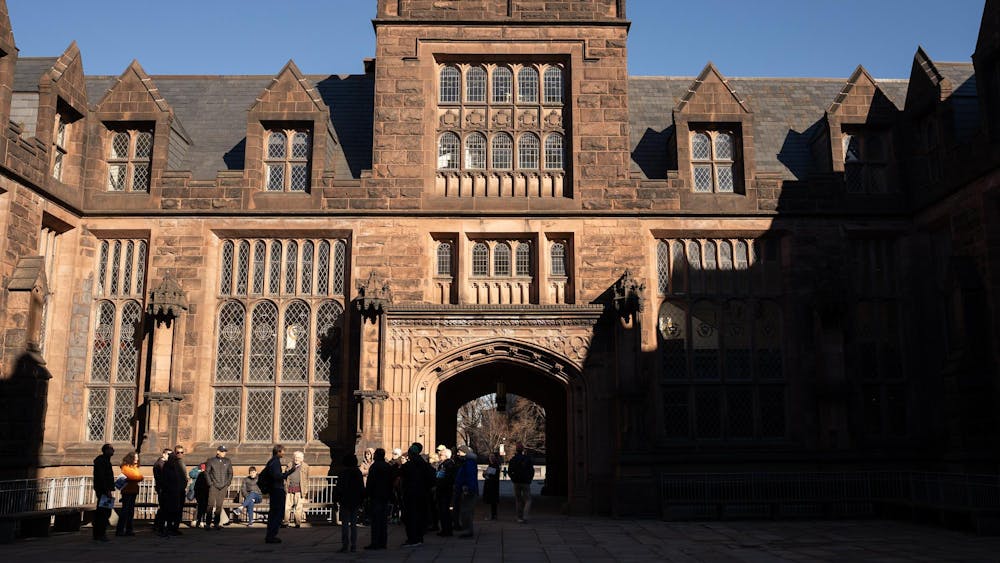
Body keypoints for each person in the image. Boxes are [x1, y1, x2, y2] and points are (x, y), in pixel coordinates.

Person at [263, 444, 300, 544]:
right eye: (283, 451)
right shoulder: (275, 462)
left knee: (274, 513)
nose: (284, 453)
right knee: (277, 513)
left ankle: (270, 535)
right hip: (276, 490)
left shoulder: (272, 461)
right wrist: (290, 472)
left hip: (274, 489)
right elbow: (278, 477)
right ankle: (271, 536)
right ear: (278, 451)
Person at [399, 443, 434, 547]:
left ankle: (412, 539)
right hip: (422, 494)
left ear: (410, 453)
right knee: (420, 516)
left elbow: (401, 477)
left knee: (411, 517)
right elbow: (431, 478)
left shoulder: (408, 466)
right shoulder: (425, 465)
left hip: (410, 494)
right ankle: (419, 537)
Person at [364, 448, 393, 550]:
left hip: (376, 496)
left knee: (376, 521)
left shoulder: (374, 466)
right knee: (383, 521)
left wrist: (367, 494)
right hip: (385, 496)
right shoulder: (387, 466)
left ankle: (375, 543)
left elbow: (370, 482)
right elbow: (390, 482)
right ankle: (383, 543)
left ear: (377, 455)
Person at [335, 453, 365, 553]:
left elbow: (338, 487)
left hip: (345, 500)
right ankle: (353, 545)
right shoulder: (358, 472)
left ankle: (345, 545)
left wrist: (336, 499)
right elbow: (361, 487)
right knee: (353, 524)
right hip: (355, 500)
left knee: (345, 524)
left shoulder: (343, 472)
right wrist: (362, 500)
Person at [161, 445, 188, 536]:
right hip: (172, 492)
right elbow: (165, 479)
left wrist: (184, 485)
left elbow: (183, 477)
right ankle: (169, 528)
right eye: (178, 453)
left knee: (178, 510)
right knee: (171, 510)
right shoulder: (169, 466)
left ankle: (175, 528)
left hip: (180, 490)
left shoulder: (181, 464)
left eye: (182, 452)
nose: (180, 454)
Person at [206, 445, 234, 530]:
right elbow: (207, 472)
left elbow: (230, 473)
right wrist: (210, 483)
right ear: (218, 451)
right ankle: (208, 524)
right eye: (222, 451)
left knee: (219, 506)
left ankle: (216, 523)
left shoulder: (228, 461)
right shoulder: (211, 460)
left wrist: (228, 483)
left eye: (225, 451)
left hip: (223, 486)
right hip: (214, 486)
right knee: (210, 505)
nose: (224, 453)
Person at [453, 445, 479, 538]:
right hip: (466, 489)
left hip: (468, 490)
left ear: (464, 452)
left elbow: (470, 477)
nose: (458, 453)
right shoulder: (467, 462)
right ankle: (467, 529)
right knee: (465, 510)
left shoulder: (469, 463)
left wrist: (467, 488)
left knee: (466, 510)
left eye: (459, 452)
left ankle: (468, 530)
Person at [116, 451, 143, 536]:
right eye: (135, 457)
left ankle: (129, 530)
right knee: (125, 511)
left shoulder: (135, 467)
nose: (137, 459)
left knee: (130, 511)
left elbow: (138, 477)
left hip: (133, 491)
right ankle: (120, 530)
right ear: (131, 458)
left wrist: (139, 477)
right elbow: (135, 477)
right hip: (127, 491)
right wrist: (139, 477)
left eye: (137, 457)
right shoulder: (125, 467)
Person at [92, 443, 115, 542]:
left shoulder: (105, 460)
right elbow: (102, 478)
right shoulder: (102, 461)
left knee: (104, 512)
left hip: (104, 490)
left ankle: (99, 534)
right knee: (103, 513)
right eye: (111, 449)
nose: (113, 451)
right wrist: (107, 490)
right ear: (106, 450)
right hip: (103, 491)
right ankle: (100, 534)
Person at [509, 442, 534, 524]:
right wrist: (529, 479)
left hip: (516, 482)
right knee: (528, 499)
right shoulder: (527, 459)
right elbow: (531, 470)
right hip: (525, 482)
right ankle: (525, 516)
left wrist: (513, 479)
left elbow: (509, 471)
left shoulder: (513, 459)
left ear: (516, 450)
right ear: (523, 450)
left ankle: (519, 517)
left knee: (518, 500)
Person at [434, 446, 456, 537]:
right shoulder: (444, 464)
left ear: (446, 456)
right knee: (442, 510)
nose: (439, 456)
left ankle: (447, 530)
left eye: (441, 455)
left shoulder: (448, 464)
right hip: (442, 490)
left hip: (445, 491)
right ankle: (445, 529)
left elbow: (446, 478)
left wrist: (439, 483)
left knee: (444, 511)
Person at [283, 450, 309, 528]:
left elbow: (306, 479)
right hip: (289, 489)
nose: (296, 459)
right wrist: (285, 486)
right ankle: (286, 523)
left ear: (301, 459)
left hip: (300, 490)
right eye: (295, 457)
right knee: (287, 507)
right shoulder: (289, 465)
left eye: (298, 457)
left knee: (298, 508)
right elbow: (285, 477)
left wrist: (305, 490)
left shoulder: (305, 466)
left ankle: (297, 523)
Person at [152, 448, 172, 535]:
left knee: (164, 507)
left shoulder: (167, 464)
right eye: (169, 454)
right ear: (164, 454)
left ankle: (157, 525)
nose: (170, 457)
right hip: (162, 489)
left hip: (166, 488)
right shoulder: (158, 464)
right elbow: (159, 478)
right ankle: (160, 527)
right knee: (164, 508)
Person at [482, 452, 501, 521]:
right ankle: (493, 515)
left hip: (493, 486)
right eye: (490, 457)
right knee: (491, 501)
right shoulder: (490, 465)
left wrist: (486, 475)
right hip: (489, 485)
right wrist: (485, 474)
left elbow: (492, 476)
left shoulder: (495, 466)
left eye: (492, 457)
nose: (491, 458)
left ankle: (493, 515)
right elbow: (487, 474)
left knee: (493, 501)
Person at [190, 463, 208, 528]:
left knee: (202, 506)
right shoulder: (197, 470)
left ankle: (200, 521)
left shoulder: (208, 472)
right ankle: (197, 520)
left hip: (205, 491)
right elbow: (191, 474)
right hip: (198, 491)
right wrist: (199, 472)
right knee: (199, 506)